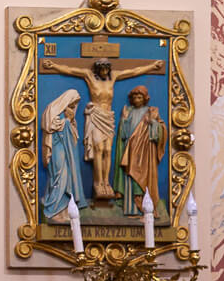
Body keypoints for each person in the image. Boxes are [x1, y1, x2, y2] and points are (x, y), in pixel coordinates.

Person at [40, 55, 164, 199]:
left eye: (106, 69)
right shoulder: (89, 76)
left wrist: (152, 66)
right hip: (96, 116)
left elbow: (133, 71)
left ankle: (106, 182)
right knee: (98, 149)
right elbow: (71, 70)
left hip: (108, 117)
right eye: (102, 69)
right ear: (97, 69)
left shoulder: (113, 77)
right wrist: (54, 65)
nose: (104, 71)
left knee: (108, 150)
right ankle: (98, 183)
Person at [116, 84, 166, 216]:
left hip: (145, 151)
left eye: (140, 97)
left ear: (145, 98)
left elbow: (160, 130)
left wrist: (153, 123)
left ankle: (145, 206)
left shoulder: (151, 111)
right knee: (130, 175)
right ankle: (131, 208)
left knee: (143, 177)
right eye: (134, 97)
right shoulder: (129, 112)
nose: (137, 100)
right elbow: (123, 135)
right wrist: (124, 120)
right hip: (130, 149)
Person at [42, 88, 86, 221]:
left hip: (66, 152)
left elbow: (73, 137)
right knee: (59, 176)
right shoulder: (52, 111)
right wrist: (67, 121)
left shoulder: (68, 115)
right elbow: (50, 128)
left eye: (75, 105)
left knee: (67, 179)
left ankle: (64, 210)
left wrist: (70, 122)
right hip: (57, 149)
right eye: (72, 104)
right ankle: (54, 210)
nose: (74, 107)